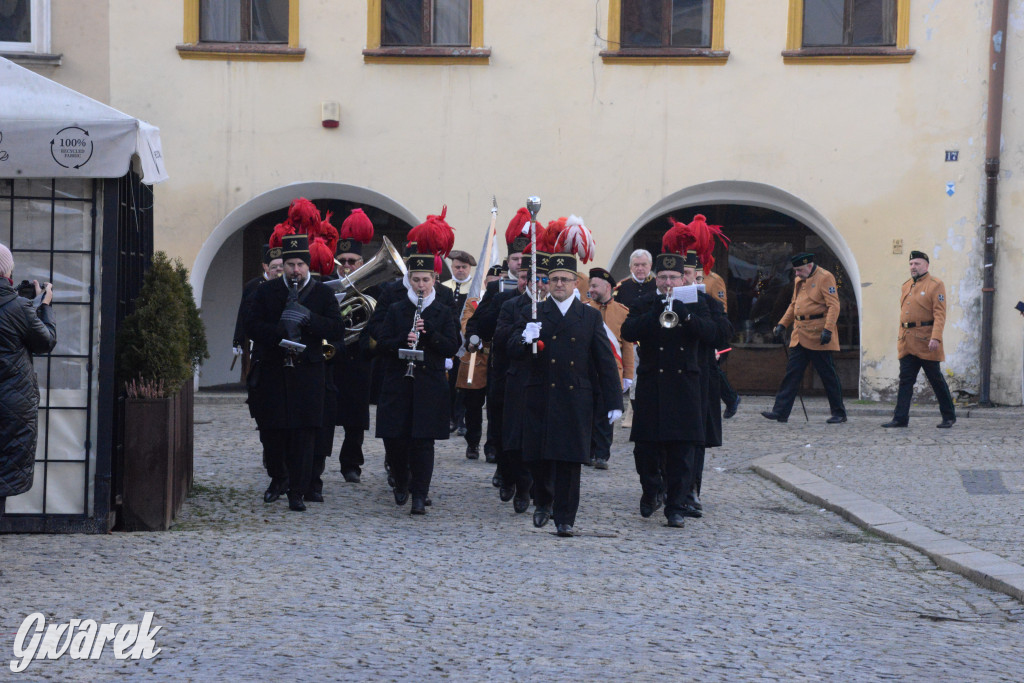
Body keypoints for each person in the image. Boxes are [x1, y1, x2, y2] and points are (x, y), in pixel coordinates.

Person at [510, 251, 622, 538]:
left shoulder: (589, 316)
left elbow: (604, 361)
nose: (558, 284)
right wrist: (525, 338)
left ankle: (565, 517)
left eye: (565, 279)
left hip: (575, 397)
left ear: (576, 283)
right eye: (553, 279)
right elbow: (511, 350)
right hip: (540, 394)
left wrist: (613, 401)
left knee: (570, 461)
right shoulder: (535, 312)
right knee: (540, 456)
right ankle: (544, 501)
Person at [245, 231, 344, 511]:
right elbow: (251, 324)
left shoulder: (323, 292)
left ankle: (298, 491)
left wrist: (309, 319)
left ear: (308, 265)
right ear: (283, 265)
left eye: (300, 264)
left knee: (304, 434)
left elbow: (336, 329)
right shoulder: (266, 291)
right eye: (290, 265)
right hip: (274, 371)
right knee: (272, 432)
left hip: (309, 373)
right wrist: (279, 331)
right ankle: (278, 478)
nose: (295, 270)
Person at [622, 248, 716, 528]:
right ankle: (651, 490)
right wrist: (654, 313)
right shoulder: (646, 302)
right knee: (645, 450)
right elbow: (628, 332)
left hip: (685, 386)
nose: (668, 283)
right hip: (653, 385)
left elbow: (716, 333)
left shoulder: (699, 302)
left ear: (682, 278)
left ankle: (676, 506)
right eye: (662, 277)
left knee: (681, 453)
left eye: (673, 277)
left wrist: (687, 317)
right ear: (655, 278)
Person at [375, 247, 460, 515]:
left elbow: (451, 347)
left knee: (424, 442)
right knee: (397, 440)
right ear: (409, 280)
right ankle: (401, 481)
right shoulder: (397, 308)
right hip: (398, 383)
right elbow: (382, 344)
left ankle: (420, 495)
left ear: (434, 279)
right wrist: (404, 338)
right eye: (416, 280)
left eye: (425, 280)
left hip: (429, 385)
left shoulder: (444, 311)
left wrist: (430, 332)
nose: (421, 285)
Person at [0, 243, 56, 518]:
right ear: (7, 270)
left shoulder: (18, 307)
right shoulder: (19, 308)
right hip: (12, 407)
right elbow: (45, 342)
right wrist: (44, 304)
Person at [493, 253, 550, 513]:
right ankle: (515, 480)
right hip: (516, 378)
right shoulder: (512, 305)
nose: (539, 284)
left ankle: (534, 487)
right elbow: (501, 337)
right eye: (534, 278)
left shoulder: (556, 307)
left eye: (544, 279)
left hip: (547, 380)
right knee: (514, 438)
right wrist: (525, 329)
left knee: (540, 438)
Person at [761, 252, 847, 425]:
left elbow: (834, 305)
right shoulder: (799, 279)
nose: (797, 274)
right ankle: (780, 411)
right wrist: (782, 324)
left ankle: (839, 412)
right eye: (795, 271)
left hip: (818, 334)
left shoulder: (825, 277)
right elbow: (794, 305)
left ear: (809, 265)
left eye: (799, 270)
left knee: (827, 375)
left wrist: (828, 330)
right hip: (799, 334)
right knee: (792, 375)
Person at [883, 251, 956, 429]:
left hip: (926, 341)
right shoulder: (906, 285)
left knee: (935, 379)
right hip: (907, 341)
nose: (913, 267)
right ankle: (900, 418)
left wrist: (936, 337)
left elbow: (940, 314)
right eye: (911, 264)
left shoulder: (935, 284)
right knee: (905, 381)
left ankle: (948, 416)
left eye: (917, 264)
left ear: (926, 265)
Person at [331, 209, 376, 483]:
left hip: (360, 359)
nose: (347, 266)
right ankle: (317, 464)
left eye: (352, 261)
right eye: (343, 261)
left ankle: (351, 465)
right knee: (326, 414)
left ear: (362, 262)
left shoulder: (374, 289)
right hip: (332, 357)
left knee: (356, 419)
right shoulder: (328, 286)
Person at [585, 266, 634, 469]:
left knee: (606, 414)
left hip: (611, 372)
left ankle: (602, 455)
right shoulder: (584, 308)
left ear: (607, 287)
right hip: (587, 370)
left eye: (595, 285)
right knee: (587, 414)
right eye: (590, 285)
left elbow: (628, 346)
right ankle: (587, 452)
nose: (591, 289)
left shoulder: (622, 312)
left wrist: (628, 375)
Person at [614, 249, 655, 430]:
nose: (640, 269)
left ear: (650, 266)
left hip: (651, 341)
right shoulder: (621, 288)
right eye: (636, 265)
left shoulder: (658, 285)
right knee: (632, 379)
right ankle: (632, 412)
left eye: (643, 265)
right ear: (630, 266)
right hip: (629, 342)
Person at [233, 244, 284, 381]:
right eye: (274, 266)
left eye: (282, 266)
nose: (279, 269)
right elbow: (243, 314)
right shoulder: (254, 285)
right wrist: (238, 340)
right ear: (265, 266)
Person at [444, 250, 476, 436]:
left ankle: (461, 418)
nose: (460, 270)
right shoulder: (445, 286)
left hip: (466, 343)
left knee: (464, 382)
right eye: (457, 267)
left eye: (464, 267)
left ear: (469, 268)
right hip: (450, 341)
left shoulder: (475, 288)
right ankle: (449, 416)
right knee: (449, 382)